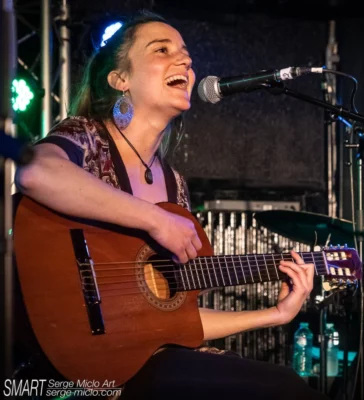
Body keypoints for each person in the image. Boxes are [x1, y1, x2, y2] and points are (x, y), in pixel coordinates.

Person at [15, 9, 330, 400]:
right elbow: (34, 174)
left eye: (186, 53)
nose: (185, 60)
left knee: (288, 387)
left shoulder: (173, 186)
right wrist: (153, 220)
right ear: (121, 79)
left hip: (131, 365)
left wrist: (276, 315)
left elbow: (173, 322)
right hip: (54, 370)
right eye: (162, 50)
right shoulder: (87, 138)